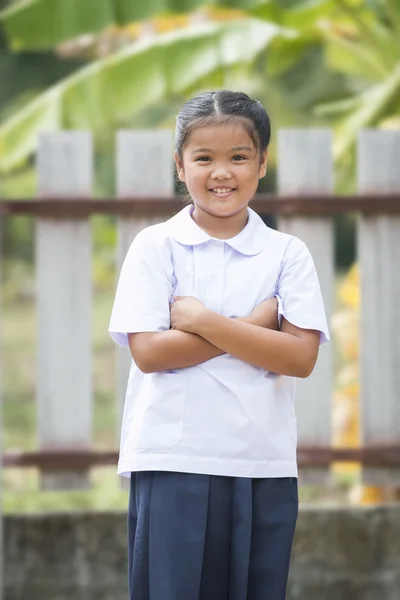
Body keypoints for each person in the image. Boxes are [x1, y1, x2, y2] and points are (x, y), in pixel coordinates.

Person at [109, 89, 330, 600]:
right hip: (172, 459)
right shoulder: (154, 246)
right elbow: (150, 353)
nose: (221, 172)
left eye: (239, 157)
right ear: (180, 166)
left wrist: (203, 321)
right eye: (203, 158)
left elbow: (299, 358)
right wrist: (253, 326)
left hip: (261, 461)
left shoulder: (286, 254)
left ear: (262, 164)